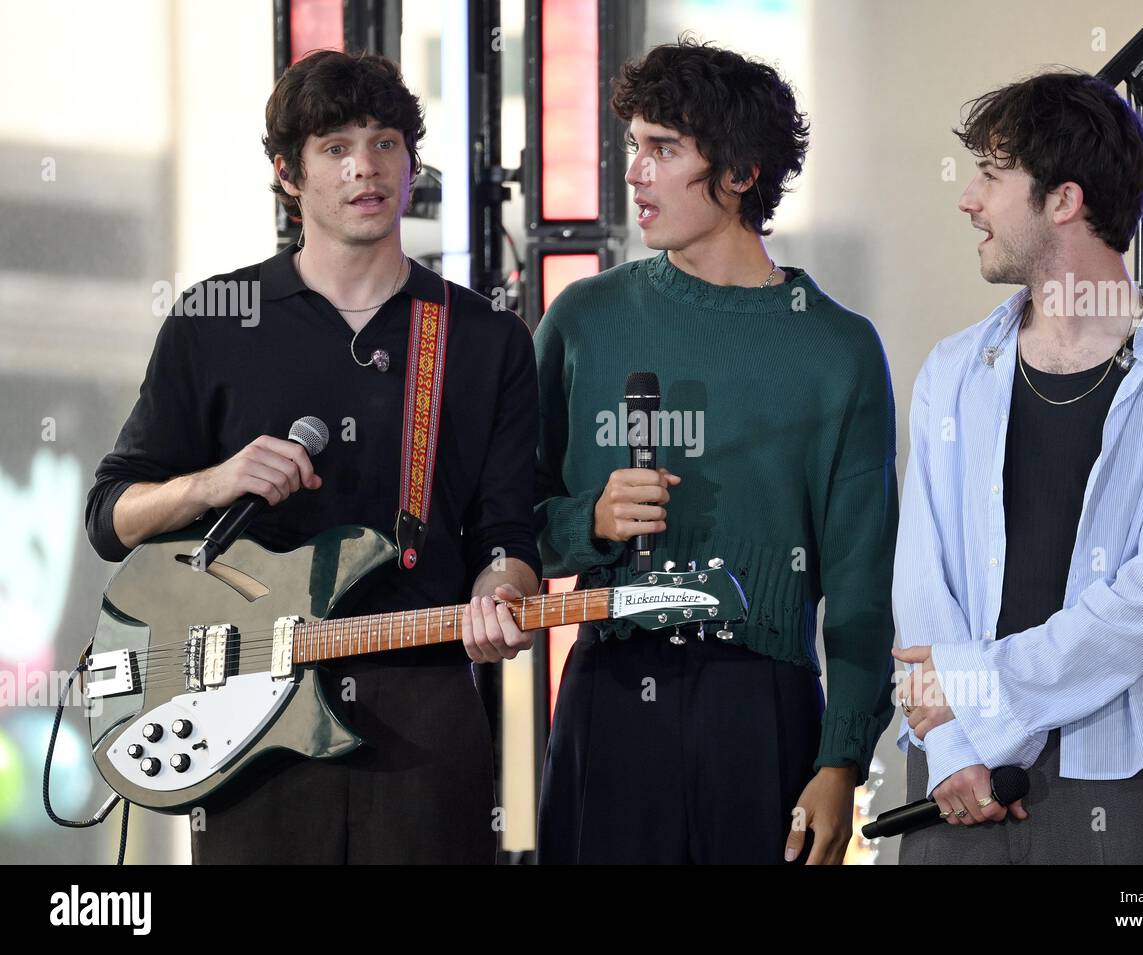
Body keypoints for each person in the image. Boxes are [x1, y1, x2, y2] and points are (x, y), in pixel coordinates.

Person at [84, 49, 541, 864]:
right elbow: (111, 518)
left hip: (424, 713)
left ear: (410, 163)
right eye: (334, 146)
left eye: (385, 142)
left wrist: (502, 591)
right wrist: (214, 481)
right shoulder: (215, 322)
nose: (365, 166)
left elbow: (506, 532)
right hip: (250, 716)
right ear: (287, 176)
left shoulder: (483, 337)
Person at [533, 38, 898, 864]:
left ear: (739, 174)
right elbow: (507, 526)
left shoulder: (838, 349)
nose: (635, 172)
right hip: (610, 690)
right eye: (634, 146)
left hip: (763, 705)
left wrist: (842, 758)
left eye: (663, 150)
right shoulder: (584, 317)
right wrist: (588, 520)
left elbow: (861, 580)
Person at [892, 70, 1143, 864]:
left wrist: (977, 698)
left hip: (1115, 780)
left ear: (1063, 200)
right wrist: (957, 742)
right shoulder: (953, 371)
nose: (969, 200)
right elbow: (922, 581)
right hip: (951, 772)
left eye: (991, 176)